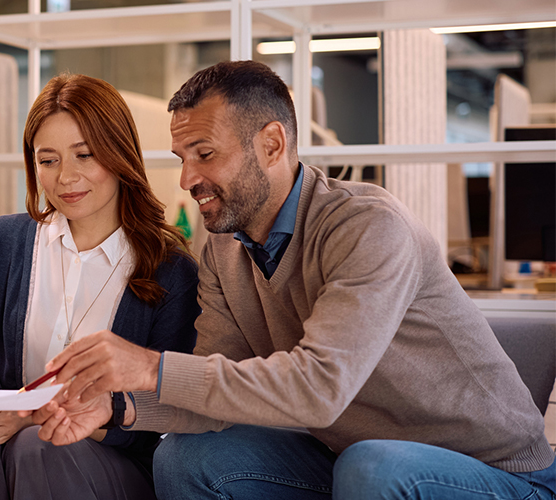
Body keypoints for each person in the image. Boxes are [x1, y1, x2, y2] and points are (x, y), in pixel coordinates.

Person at [28, 60, 556, 499]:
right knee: (188, 457)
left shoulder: (367, 227)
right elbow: (212, 390)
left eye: (205, 155)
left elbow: (319, 388)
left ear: (272, 144)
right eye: (182, 159)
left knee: (373, 468)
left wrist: (148, 366)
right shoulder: (223, 250)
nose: (187, 179)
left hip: (497, 475)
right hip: (351, 463)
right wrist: (117, 406)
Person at [0, 73, 200, 500]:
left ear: (119, 153)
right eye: (48, 160)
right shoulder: (3, 242)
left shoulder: (172, 271)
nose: (66, 177)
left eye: (84, 155)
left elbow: (158, 411)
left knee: (40, 445)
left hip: (110, 457)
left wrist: (32, 416)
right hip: (9, 441)